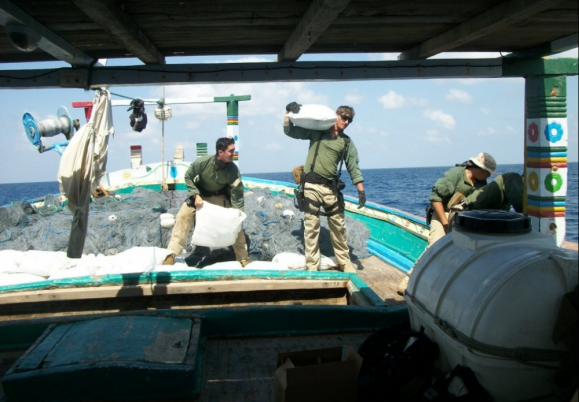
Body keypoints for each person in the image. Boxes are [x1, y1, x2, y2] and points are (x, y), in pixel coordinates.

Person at [284, 102, 365, 272]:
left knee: (338, 226)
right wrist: (287, 112)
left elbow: (353, 167)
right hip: (311, 185)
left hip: (331, 189)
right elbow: (290, 131)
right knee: (311, 226)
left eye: (350, 120)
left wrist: (361, 190)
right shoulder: (317, 132)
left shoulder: (346, 142)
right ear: (336, 116)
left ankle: (345, 263)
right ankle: (312, 266)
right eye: (344, 117)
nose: (346, 121)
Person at [163, 137, 249, 266]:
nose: (233, 154)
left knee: (235, 224)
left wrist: (238, 214)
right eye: (231, 151)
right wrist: (195, 194)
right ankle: (170, 255)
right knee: (183, 217)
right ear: (221, 152)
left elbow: (237, 194)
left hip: (219, 197)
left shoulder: (233, 170)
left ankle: (243, 258)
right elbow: (188, 176)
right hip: (200, 196)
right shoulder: (203, 162)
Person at [427, 152, 497, 246]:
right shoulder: (455, 174)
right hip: (443, 213)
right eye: (488, 172)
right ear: (480, 168)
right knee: (435, 246)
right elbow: (435, 198)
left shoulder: (482, 183)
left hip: (462, 217)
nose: (489, 176)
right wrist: (445, 225)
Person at [458, 172, 524, 213]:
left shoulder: (512, 182)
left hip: (472, 210)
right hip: (465, 210)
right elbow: (522, 208)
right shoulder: (513, 180)